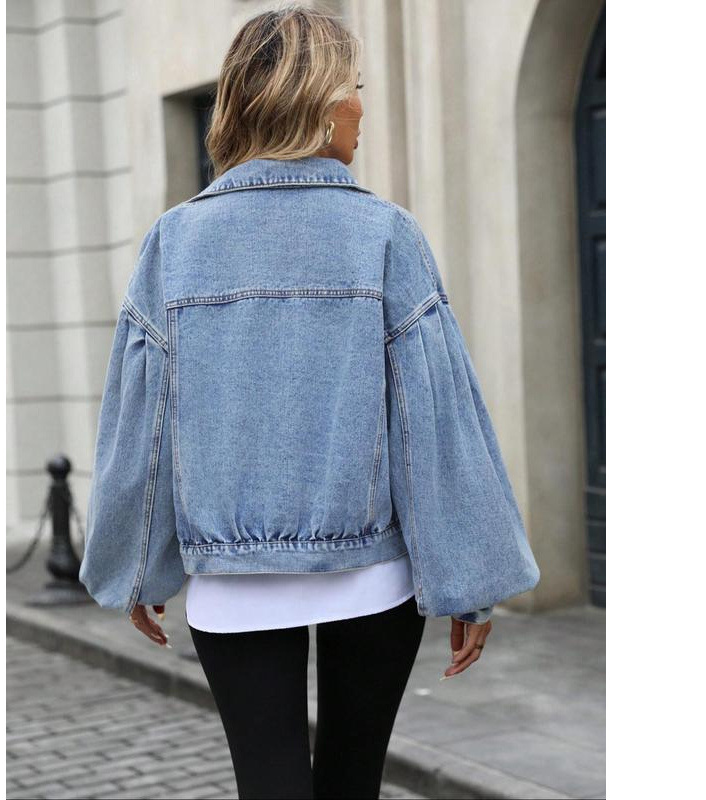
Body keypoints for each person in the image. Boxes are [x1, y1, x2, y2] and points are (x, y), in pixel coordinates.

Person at [80, 5, 540, 799]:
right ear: (320, 101)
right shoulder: (386, 235)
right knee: (353, 784)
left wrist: (136, 565)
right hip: (372, 577)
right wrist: (468, 578)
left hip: (234, 581)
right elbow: (435, 423)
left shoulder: (175, 242)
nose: (361, 106)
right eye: (354, 87)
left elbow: (143, 427)